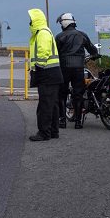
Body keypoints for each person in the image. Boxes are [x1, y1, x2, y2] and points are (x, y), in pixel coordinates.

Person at [55, 13, 99, 129]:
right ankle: (78, 122)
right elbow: (92, 48)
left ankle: (62, 120)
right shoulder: (82, 35)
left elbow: (54, 53)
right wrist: (95, 54)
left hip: (64, 68)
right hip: (79, 68)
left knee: (62, 94)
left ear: (64, 23)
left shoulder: (59, 37)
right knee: (78, 94)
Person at [27, 9, 63, 141]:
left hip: (46, 73)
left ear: (36, 20)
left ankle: (44, 133)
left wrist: (38, 67)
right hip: (52, 74)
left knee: (45, 105)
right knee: (52, 104)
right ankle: (53, 131)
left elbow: (43, 52)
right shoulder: (45, 32)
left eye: (31, 19)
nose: (29, 22)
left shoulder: (42, 33)